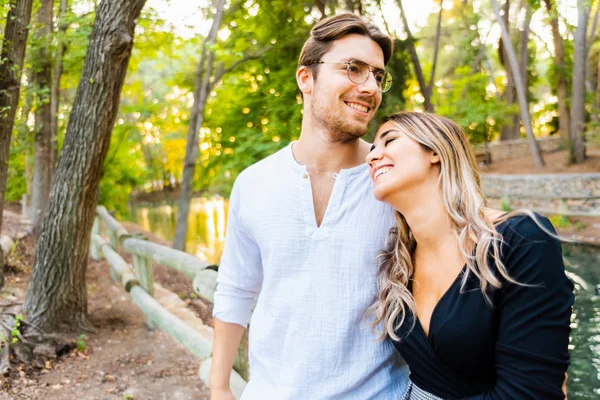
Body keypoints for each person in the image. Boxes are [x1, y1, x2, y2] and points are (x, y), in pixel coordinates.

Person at [209, 13, 409, 400]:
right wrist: (219, 387)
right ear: (306, 78)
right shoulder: (253, 183)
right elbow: (236, 288)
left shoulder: (396, 178)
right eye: (353, 69)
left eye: (377, 76)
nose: (369, 87)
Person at [366, 111, 574, 399]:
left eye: (388, 140)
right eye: (372, 148)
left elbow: (531, 392)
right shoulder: (397, 260)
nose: (372, 156)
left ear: (435, 151)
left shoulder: (521, 239)